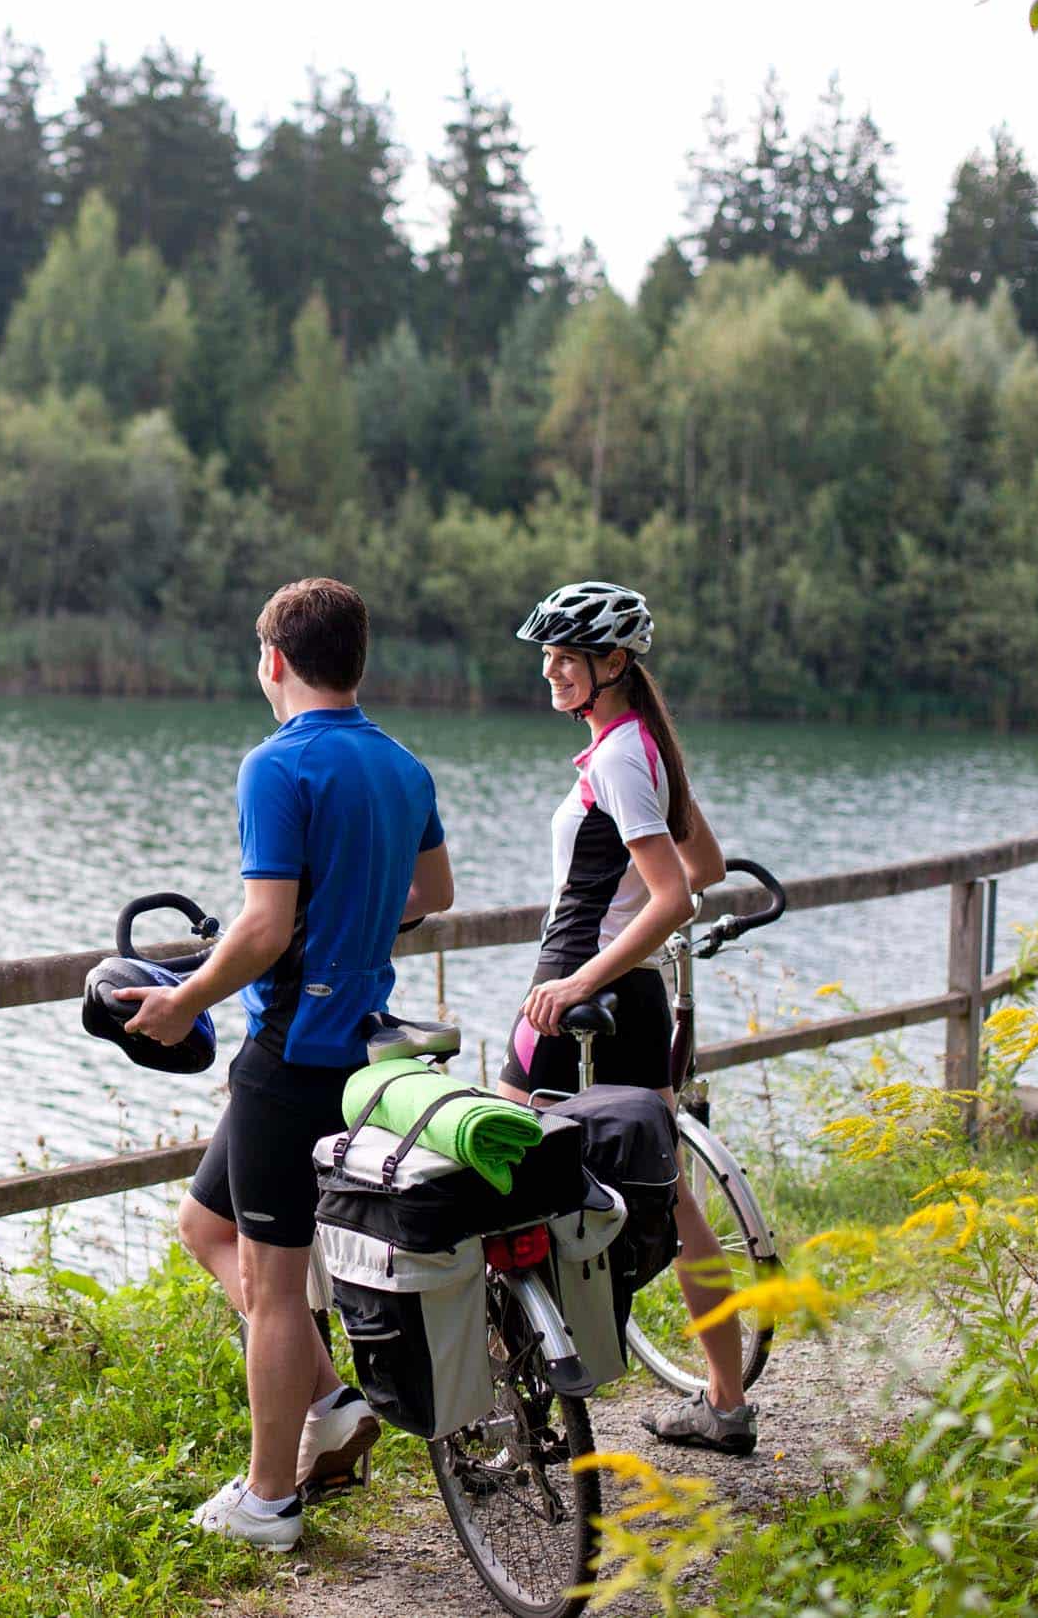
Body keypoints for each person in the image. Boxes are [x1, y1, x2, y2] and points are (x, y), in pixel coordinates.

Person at [117, 577, 455, 1551]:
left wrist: (184, 998)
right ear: (355, 660)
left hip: (291, 1053)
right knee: (204, 1224)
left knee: (273, 1283)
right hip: (360, 1050)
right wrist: (349, 910)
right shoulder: (401, 765)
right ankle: (333, 1403)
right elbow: (432, 890)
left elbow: (263, 927)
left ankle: (268, 1500)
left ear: (274, 659)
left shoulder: (276, 764)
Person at [499, 580, 754, 1456]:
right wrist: (624, 933)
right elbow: (705, 863)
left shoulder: (616, 758)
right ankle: (725, 1401)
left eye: (566, 657)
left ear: (612, 662)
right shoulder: (644, 746)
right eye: (547, 656)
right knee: (669, 1194)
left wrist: (580, 976)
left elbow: (675, 894)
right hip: (637, 1001)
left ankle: (524, 1416)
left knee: (504, 1187)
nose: (551, 671)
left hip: (569, 997)